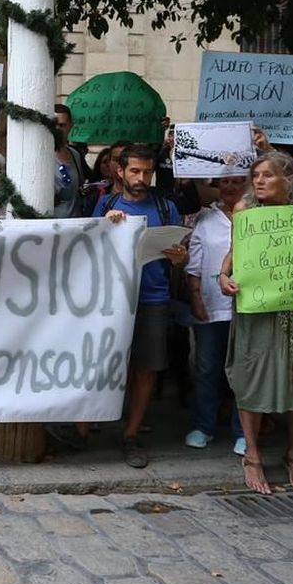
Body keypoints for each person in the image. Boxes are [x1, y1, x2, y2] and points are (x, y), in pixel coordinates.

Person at [219, 152, 293, 495]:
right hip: (259, 305)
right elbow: (236, 252)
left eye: (268, 175)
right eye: (256, 175)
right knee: (252, 373)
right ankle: (252, 453)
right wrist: (223, 275)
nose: (259, 181)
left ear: (289, 179)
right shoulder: (245, 211)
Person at [95, 144, 187, 469]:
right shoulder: (105, 203)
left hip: (153, 298)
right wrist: (105, 224)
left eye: (147, 172)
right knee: (107, 363)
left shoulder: (166, 208)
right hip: (112, 300)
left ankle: (131, 433)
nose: (141, 177)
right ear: (120, 171)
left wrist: (180, 259)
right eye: (135, 171)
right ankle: (94, 420)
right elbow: (88, 251)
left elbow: (180, 258)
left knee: (146, 368)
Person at [184, 173, 247, 454]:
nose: (231, 187)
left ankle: (243, 431)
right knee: (208, 369)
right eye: (225, 182)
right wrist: (196, 298)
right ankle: (203, 426)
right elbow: (194, 263)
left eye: (237, 181)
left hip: (249, 307)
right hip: (211, 306)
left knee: (244, 372)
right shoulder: (206, 220)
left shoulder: (259, 217)